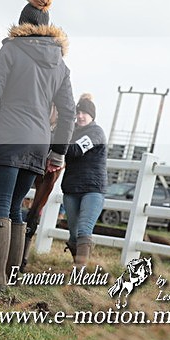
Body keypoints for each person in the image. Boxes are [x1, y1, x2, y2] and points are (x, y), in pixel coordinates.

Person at [0, 0, 75, 289]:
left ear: (22, 24)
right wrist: (58, 153)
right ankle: (11, 275)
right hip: (39, 144)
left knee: (1, 204)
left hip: (9, 137)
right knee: (15, 207)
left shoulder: (11, 50)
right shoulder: (60, 64)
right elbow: (68, 113)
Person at [61, 93, 107, 267]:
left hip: (92, 190)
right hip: (71, 188)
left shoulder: (96, 133)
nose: (80, 116)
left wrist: (56, 141)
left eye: (84, 113)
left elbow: (75, 150)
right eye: (78, 113)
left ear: (92, 115)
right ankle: (77, 262)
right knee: (73, 235)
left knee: (84, 229)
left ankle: (79, 272)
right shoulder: (70, 130)